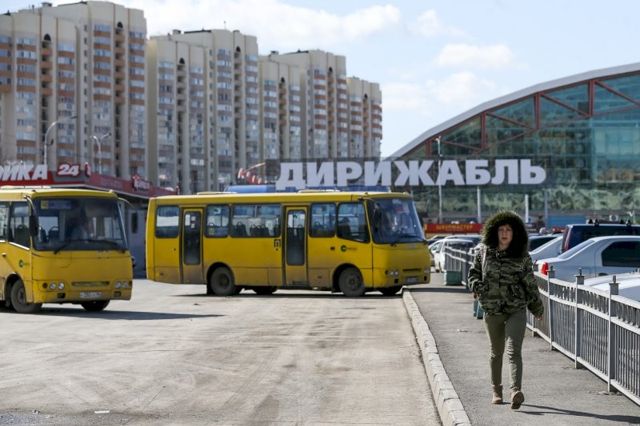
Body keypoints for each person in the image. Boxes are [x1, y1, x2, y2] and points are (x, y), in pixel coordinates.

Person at [468, 210, 544, 409]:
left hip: (515, 309)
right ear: (494, 231)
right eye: (501, 229)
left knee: (514, 351)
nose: (504, 233)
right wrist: (476, 286)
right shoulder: (484, 252)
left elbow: (530, 283)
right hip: (492, 309)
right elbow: (473, 273)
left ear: (514, 233)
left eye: (508, 230)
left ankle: (515, 391)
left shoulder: (522, 256)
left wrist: (537, 308)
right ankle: (496, 391)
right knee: (496, 352)